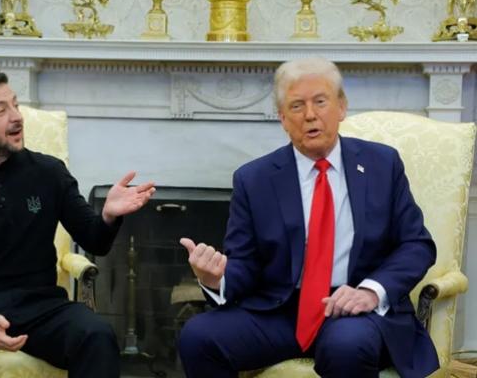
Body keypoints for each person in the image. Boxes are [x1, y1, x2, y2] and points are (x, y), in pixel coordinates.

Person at [178, 57, 439, 378]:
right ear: (283, 119)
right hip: (283, 311)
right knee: (198, 336)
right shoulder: (254, 179)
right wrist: (215, 279)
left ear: (341, 107)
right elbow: (245, 265)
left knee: (345, 344)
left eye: (320, 101)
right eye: (297, 106)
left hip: (356, 310)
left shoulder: (382, 164)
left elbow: (416, 245)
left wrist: (371, 291)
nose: (310, 115)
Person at [0, 71, 155, 378]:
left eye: (15, 105)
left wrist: (109, 215)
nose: (16, 117)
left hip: (42, 305)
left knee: (96, 335)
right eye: (0, 110)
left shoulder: (49, 172)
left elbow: (94, 241)